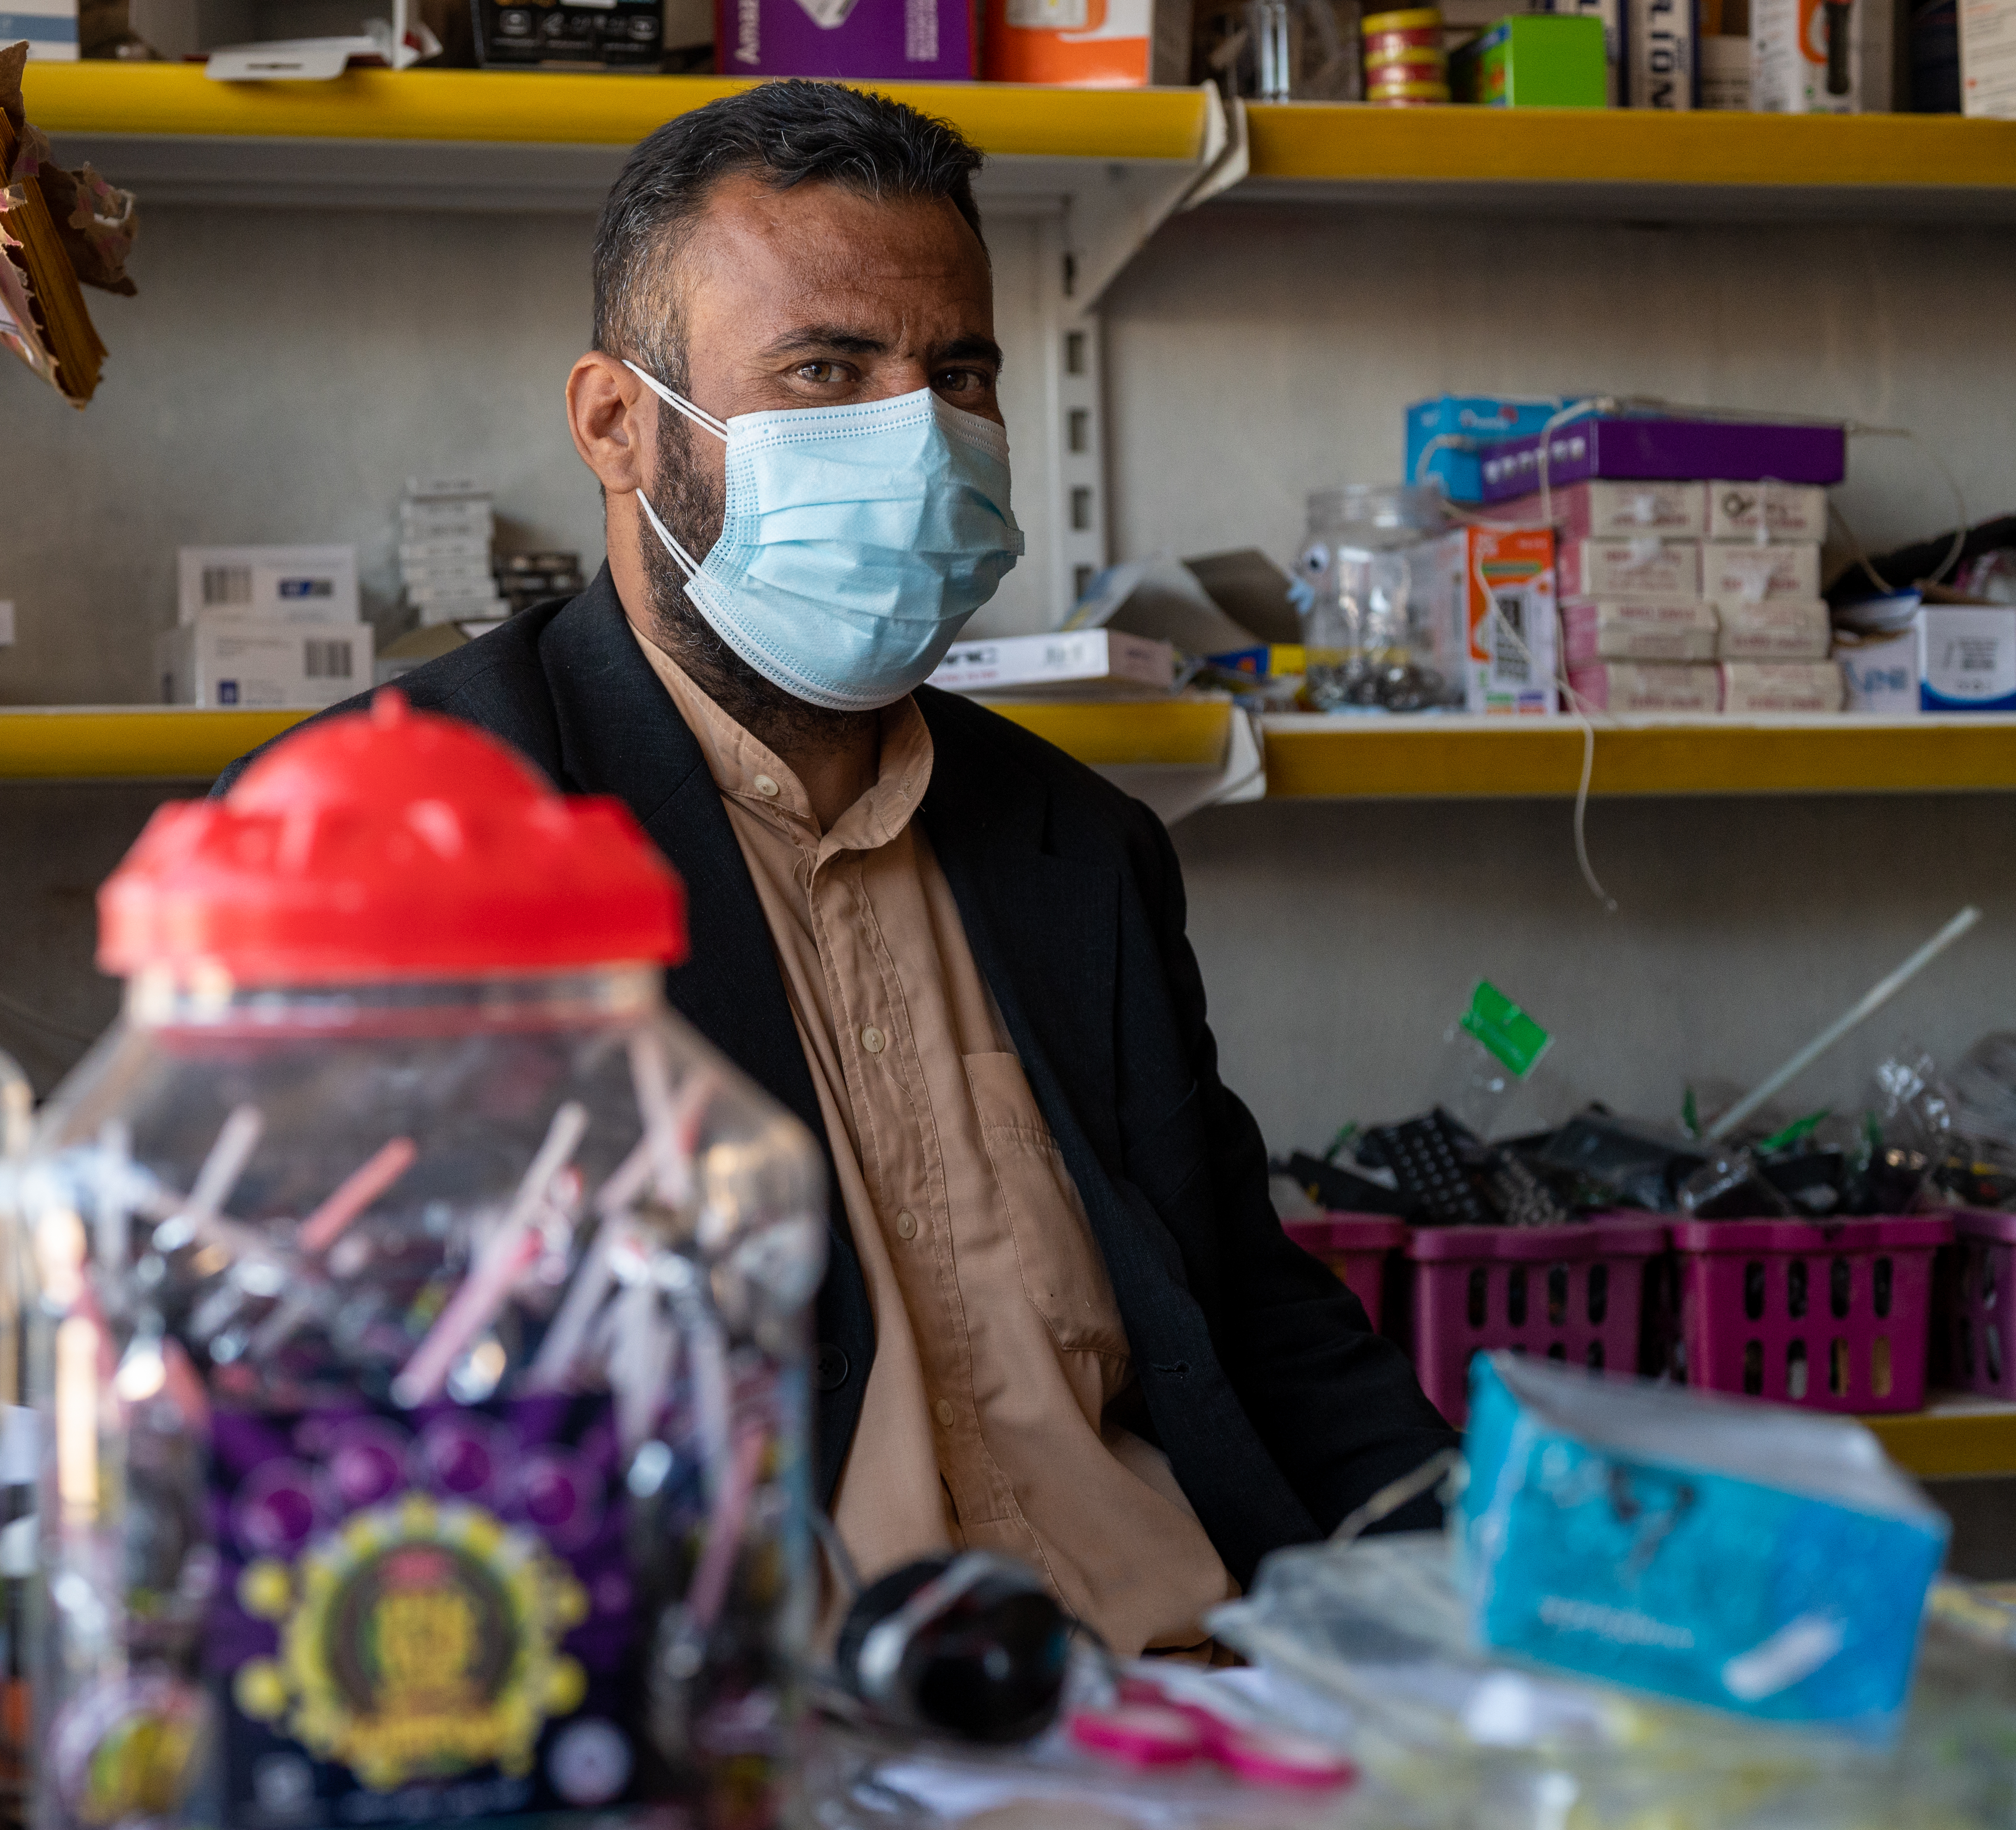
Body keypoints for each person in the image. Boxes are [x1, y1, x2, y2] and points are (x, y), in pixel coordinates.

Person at [224, 79, 1453, 1653]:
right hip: (766, 1757)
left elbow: (1249, 1320)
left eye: (957, 374)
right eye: (825, 371)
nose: (917, 439)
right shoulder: (388, 836)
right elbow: (323, 1428)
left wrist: (1493, 1599)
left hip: (1190, 1693)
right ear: (617, 425)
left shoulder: (1083, 850)